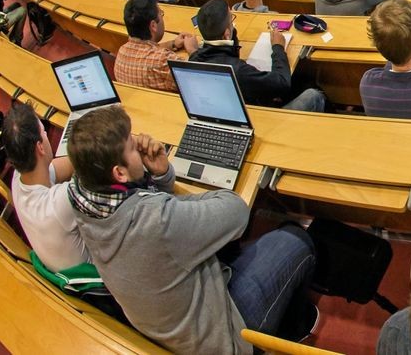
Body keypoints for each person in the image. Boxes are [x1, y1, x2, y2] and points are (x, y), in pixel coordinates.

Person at [67, 105, 318, 353]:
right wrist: (180, 203)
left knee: (224, 242)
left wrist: (160, 175)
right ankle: (292, 330)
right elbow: (236, 211)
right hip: (222, 336)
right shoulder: (156, 220)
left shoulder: (84, 196)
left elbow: (153, 214)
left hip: (172, 327)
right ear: (119, 173)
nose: (138, 142)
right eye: (131, 146)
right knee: (295, 239)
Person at [191, 0, 326, 112]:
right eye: (231, 19)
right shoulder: (237, 71)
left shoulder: (194, 59)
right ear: (227, 34)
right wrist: (278, 47)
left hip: (234, 106)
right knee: (314, 95)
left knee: (302, 80)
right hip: (260, 117)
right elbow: (282, 84)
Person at [2, 103, 89, 273]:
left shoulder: (19, 178)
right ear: (40, 147)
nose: (47, 135)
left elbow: (70, 164)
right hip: (97, 278)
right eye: (44, 132)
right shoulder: (61, 202)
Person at [114, 0, 197, 92]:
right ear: (153, 26)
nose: (162, 16)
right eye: (161, 13)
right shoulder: (162, 61)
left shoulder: (121, 52)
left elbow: (143, 51)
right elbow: (198, 80)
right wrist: (193, 50)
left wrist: (173, 44)